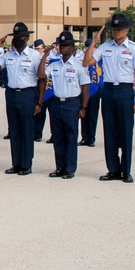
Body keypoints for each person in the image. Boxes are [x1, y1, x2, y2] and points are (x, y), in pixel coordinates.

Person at [83, 13, 135, 183]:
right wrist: (95, 40)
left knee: (125, 132)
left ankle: (126, 170)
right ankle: (113, 169)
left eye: (120, 29)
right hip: (108, 90)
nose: (116, 32)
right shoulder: (105, 47)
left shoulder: (134, 48)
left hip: (125, 91)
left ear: (127, 29)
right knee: (109, 132)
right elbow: (87, 62)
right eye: (114, 29)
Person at [0, 22, 41, 176]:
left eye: (20, 36)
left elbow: (42, 78)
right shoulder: (8, 55)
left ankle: (26, 164)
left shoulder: (34, 56)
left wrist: (39, 101)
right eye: (15, 36)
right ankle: (16, 164)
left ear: (26, 37)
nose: (17, 39)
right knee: (15, 130)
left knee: (26, 130)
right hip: (12, 94)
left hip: (27, 94)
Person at [37, 31, 90, 179]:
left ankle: (70, 168)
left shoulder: (79, 65)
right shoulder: (55, 65)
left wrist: (83, 107)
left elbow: (85, 88)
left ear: (72, 47)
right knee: (58, 136)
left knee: (71, 136)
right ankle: (60, 167)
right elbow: (41, 75)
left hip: (72, 103)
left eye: (66, 45)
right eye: (61, 45)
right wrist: (44, 57)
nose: (62, 48)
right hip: (57, 103)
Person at [32, 38, 51, 142]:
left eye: (39, 48)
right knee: (35, 110)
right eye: (36, 48)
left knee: (42, 110)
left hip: (46, 85)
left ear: (43, 48)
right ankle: (33, 132)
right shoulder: (33, 57)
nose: (37, 50)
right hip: (36, 84)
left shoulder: (50, 57)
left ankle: (38, 133)